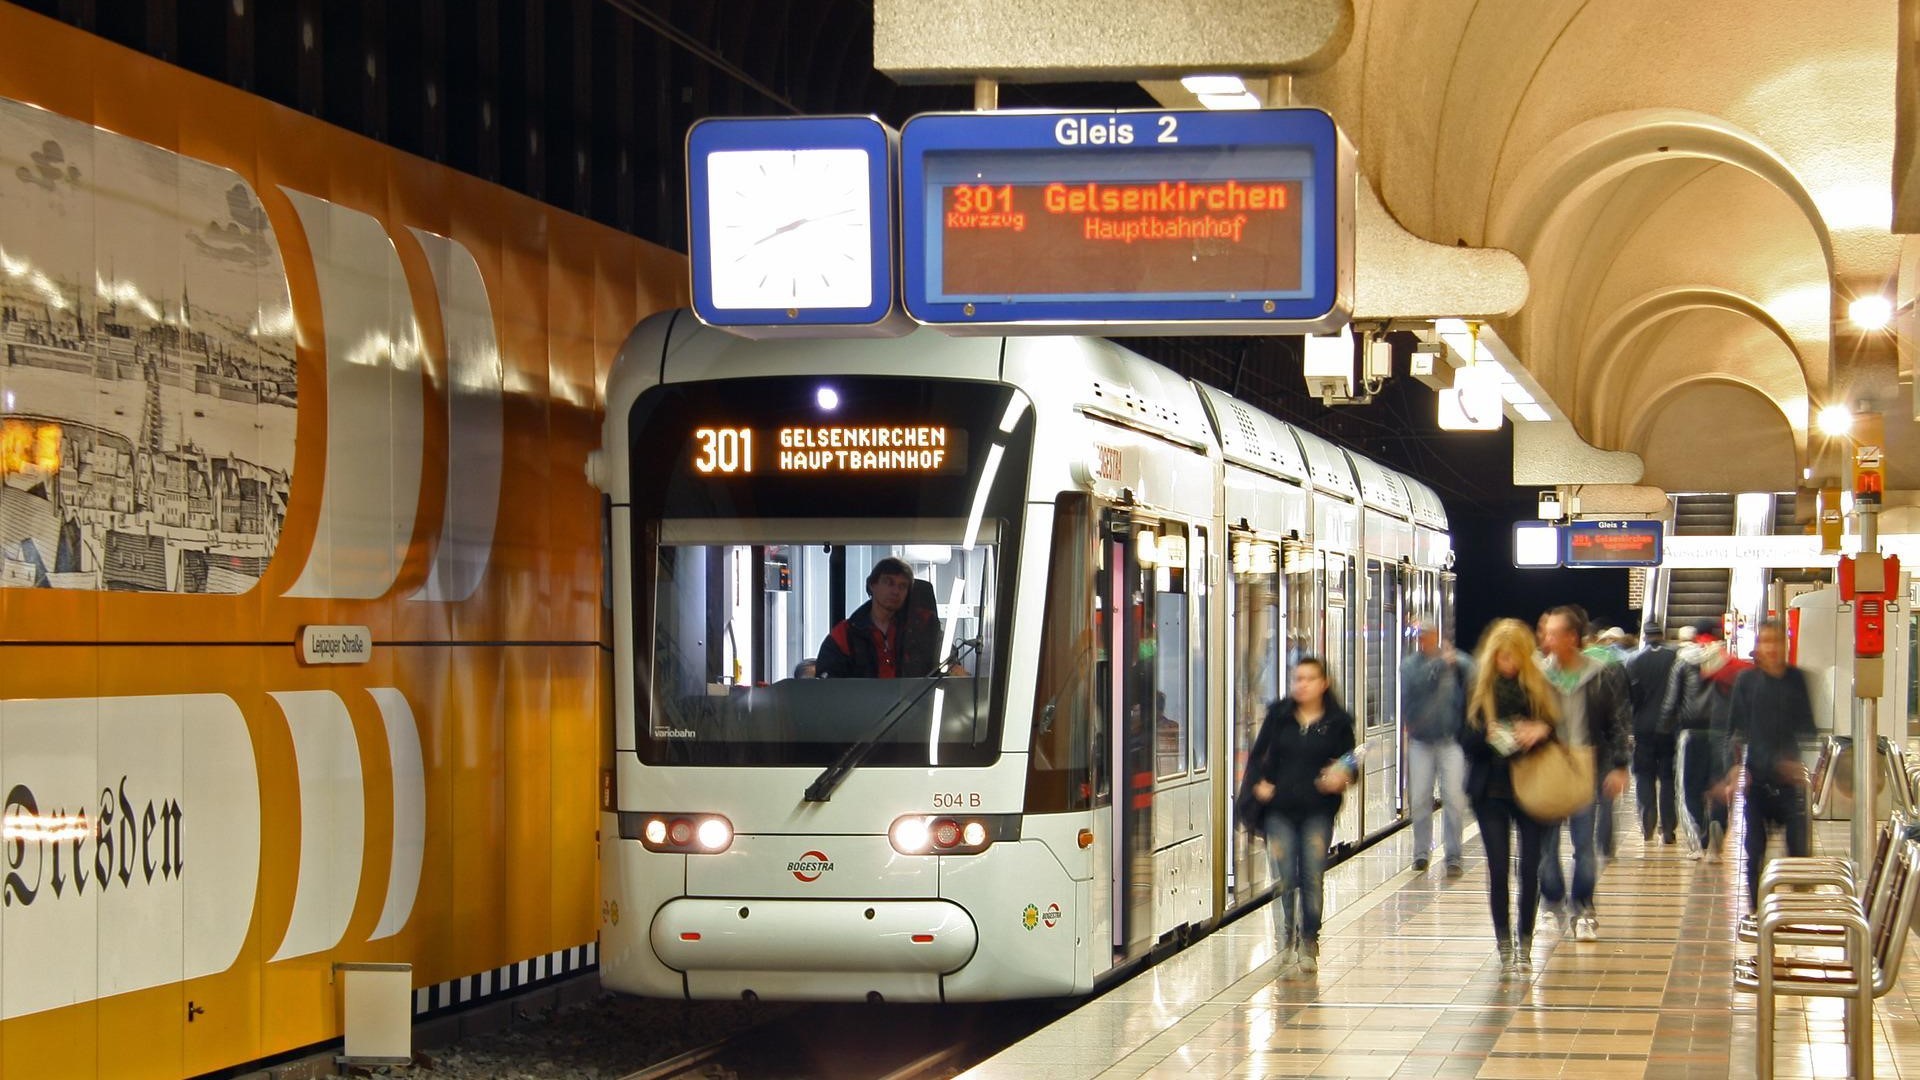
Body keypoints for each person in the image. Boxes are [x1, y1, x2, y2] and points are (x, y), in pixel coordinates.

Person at [1235, 657, 1356, 979]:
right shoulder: (1279, 716)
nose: (1301, 684)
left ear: (1323, 684)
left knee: (1312, 877)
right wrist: (1259, 784)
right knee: (1286, 876)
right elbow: (1260, 754)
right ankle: (1286, 936)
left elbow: (1350, 762)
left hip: (1318, 810)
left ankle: (1309, 941)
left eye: (1308, 679)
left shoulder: (1339, 722)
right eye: (1297, 678)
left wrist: (1341, 775)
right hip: (1280, 810)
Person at [1461, 618, 1556, 977]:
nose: (1508, 665)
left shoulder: (1540, 689)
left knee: (1529, 866)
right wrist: (1485, 734)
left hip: (1532, 787)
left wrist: (1540, 731)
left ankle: (1526, 942)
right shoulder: (1478, 690)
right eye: (1501, 658)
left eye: (1514, 658)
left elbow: (1560, 732)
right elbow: (1464, 739)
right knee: (1498, 867)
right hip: (1491, 790)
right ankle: (1504, 943)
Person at [1536, 605, 1633, 941]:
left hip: (1587, 766)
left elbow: (1617, 723)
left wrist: (1620, 766)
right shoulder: (1538, 675)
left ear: (1572, 638)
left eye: (1553, 633)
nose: (1546, 640)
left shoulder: (1602, 674)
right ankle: (1550, 902)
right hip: (1548, 768)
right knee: (1546, 846)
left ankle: (1584, 909)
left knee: (1583, 845)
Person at [1723, 621, 1816, 912]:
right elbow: (1734, 730)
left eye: (1776, 641)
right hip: (1757, 780)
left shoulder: (1796, 679)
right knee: (1755, 853)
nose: (1772, 648)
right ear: (1758, 647)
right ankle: (1757, 913)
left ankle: (1795, 911)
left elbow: (1808, 728)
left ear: (1785, 646)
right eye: (1765, 641)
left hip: (1789, 782)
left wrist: (1797, 764)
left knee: (1799, 853)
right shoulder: (1746, 682)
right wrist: (1735, 768)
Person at [1661, 619, 1746, 861]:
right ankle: (1718, 827)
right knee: (1718, 786)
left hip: (1691, 732)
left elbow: (1671, 700)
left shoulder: (1683, 661)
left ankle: (1700, 840)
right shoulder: (1728, 662)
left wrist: (1664, 728)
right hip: (1723, 734)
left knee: (1690, 789)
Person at [1401, 620, 1472, 875]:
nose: (1424, 641)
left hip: (1450, 741)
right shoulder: (1410, 666)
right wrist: (1441, 664)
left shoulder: (1457, 662)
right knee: (1419, 798)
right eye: (1420, 637)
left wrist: (1454, 662)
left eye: (1428, 636)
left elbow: (1473, 673)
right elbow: (1416, 685)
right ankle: (1421, 853)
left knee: (1454, 798)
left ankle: (1453, 855)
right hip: (1421, 742)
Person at [815, 557, 942, 679]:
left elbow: (947, 658)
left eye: (902, 586)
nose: (895, 591)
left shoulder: (922, 627)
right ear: (872, 585)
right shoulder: (846, 633)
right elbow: (828, 683)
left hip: (916, 700)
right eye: (888, 582)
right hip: (862, 700)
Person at [1624, 623, 1680, 847]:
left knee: (1644, 776)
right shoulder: (1675, 658)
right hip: (1669, 728)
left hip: (1642, 727)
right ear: (1662, 636)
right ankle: (1667, 829)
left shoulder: (1633, 660)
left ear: (1645, 637)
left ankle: (1647, 824)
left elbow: (1630, 697)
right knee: (1668, 779)